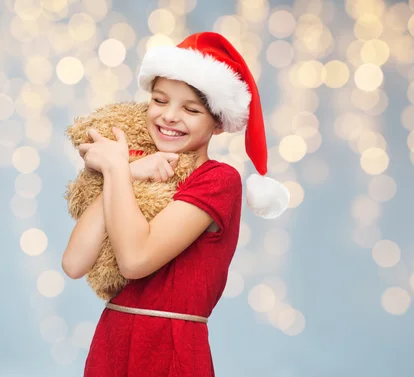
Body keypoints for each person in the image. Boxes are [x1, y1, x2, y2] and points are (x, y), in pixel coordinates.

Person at [62, 32, 289, 377]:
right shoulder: (137, 171)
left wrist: (116, 168)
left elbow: (135, 260)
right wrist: (129, 171)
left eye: (191, 109)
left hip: (170, 350)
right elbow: (75, 263)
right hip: (112, 343)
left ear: (216, 123)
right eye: (159, 100)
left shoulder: (218, 180)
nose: (169, 116)